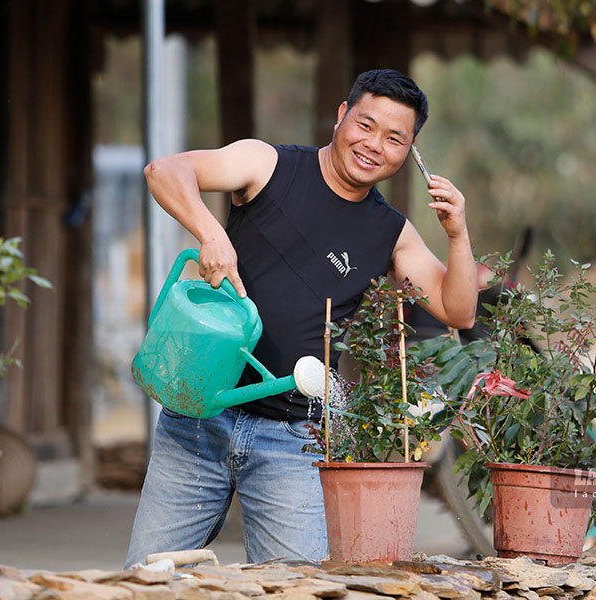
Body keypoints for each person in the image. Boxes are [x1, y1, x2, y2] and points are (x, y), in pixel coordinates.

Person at [125, 69, 478, 566]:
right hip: (198, 413)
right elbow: (164, 170)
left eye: (395, 138)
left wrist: (458, 234)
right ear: (341, 116)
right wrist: (210, 232)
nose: (374, 145)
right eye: (366, 125)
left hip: (291, 439)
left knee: (296, 589)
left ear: (409, 150)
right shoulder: (265, 163)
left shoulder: (391, 232)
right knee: (146, 579)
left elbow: (457, 309)